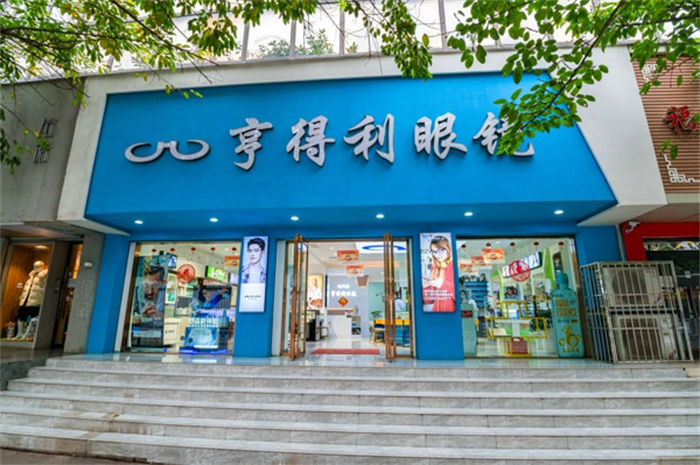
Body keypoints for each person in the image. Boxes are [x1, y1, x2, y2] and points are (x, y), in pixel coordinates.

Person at [422, 235, 455, 312]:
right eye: (434, 252)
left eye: (441, 250)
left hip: (452, 314)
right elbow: (428, 300)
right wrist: (426, 286)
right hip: (436, 313)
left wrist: (443, 284)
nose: (438, 254)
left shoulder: (454, 265)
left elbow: (459, 296)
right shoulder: (434, 268)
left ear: (448, 248)